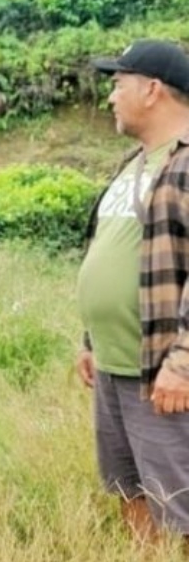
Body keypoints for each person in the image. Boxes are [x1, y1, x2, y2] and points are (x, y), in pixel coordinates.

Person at [78, 39, 189, 545]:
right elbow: (112, 251)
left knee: (176, 506)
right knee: (129, 490)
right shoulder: (132, 163)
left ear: (152, 89)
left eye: (118, 84)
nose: (110, 97)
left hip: (163, 373)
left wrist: (183, 361)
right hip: (114, 365)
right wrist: (90, 340)